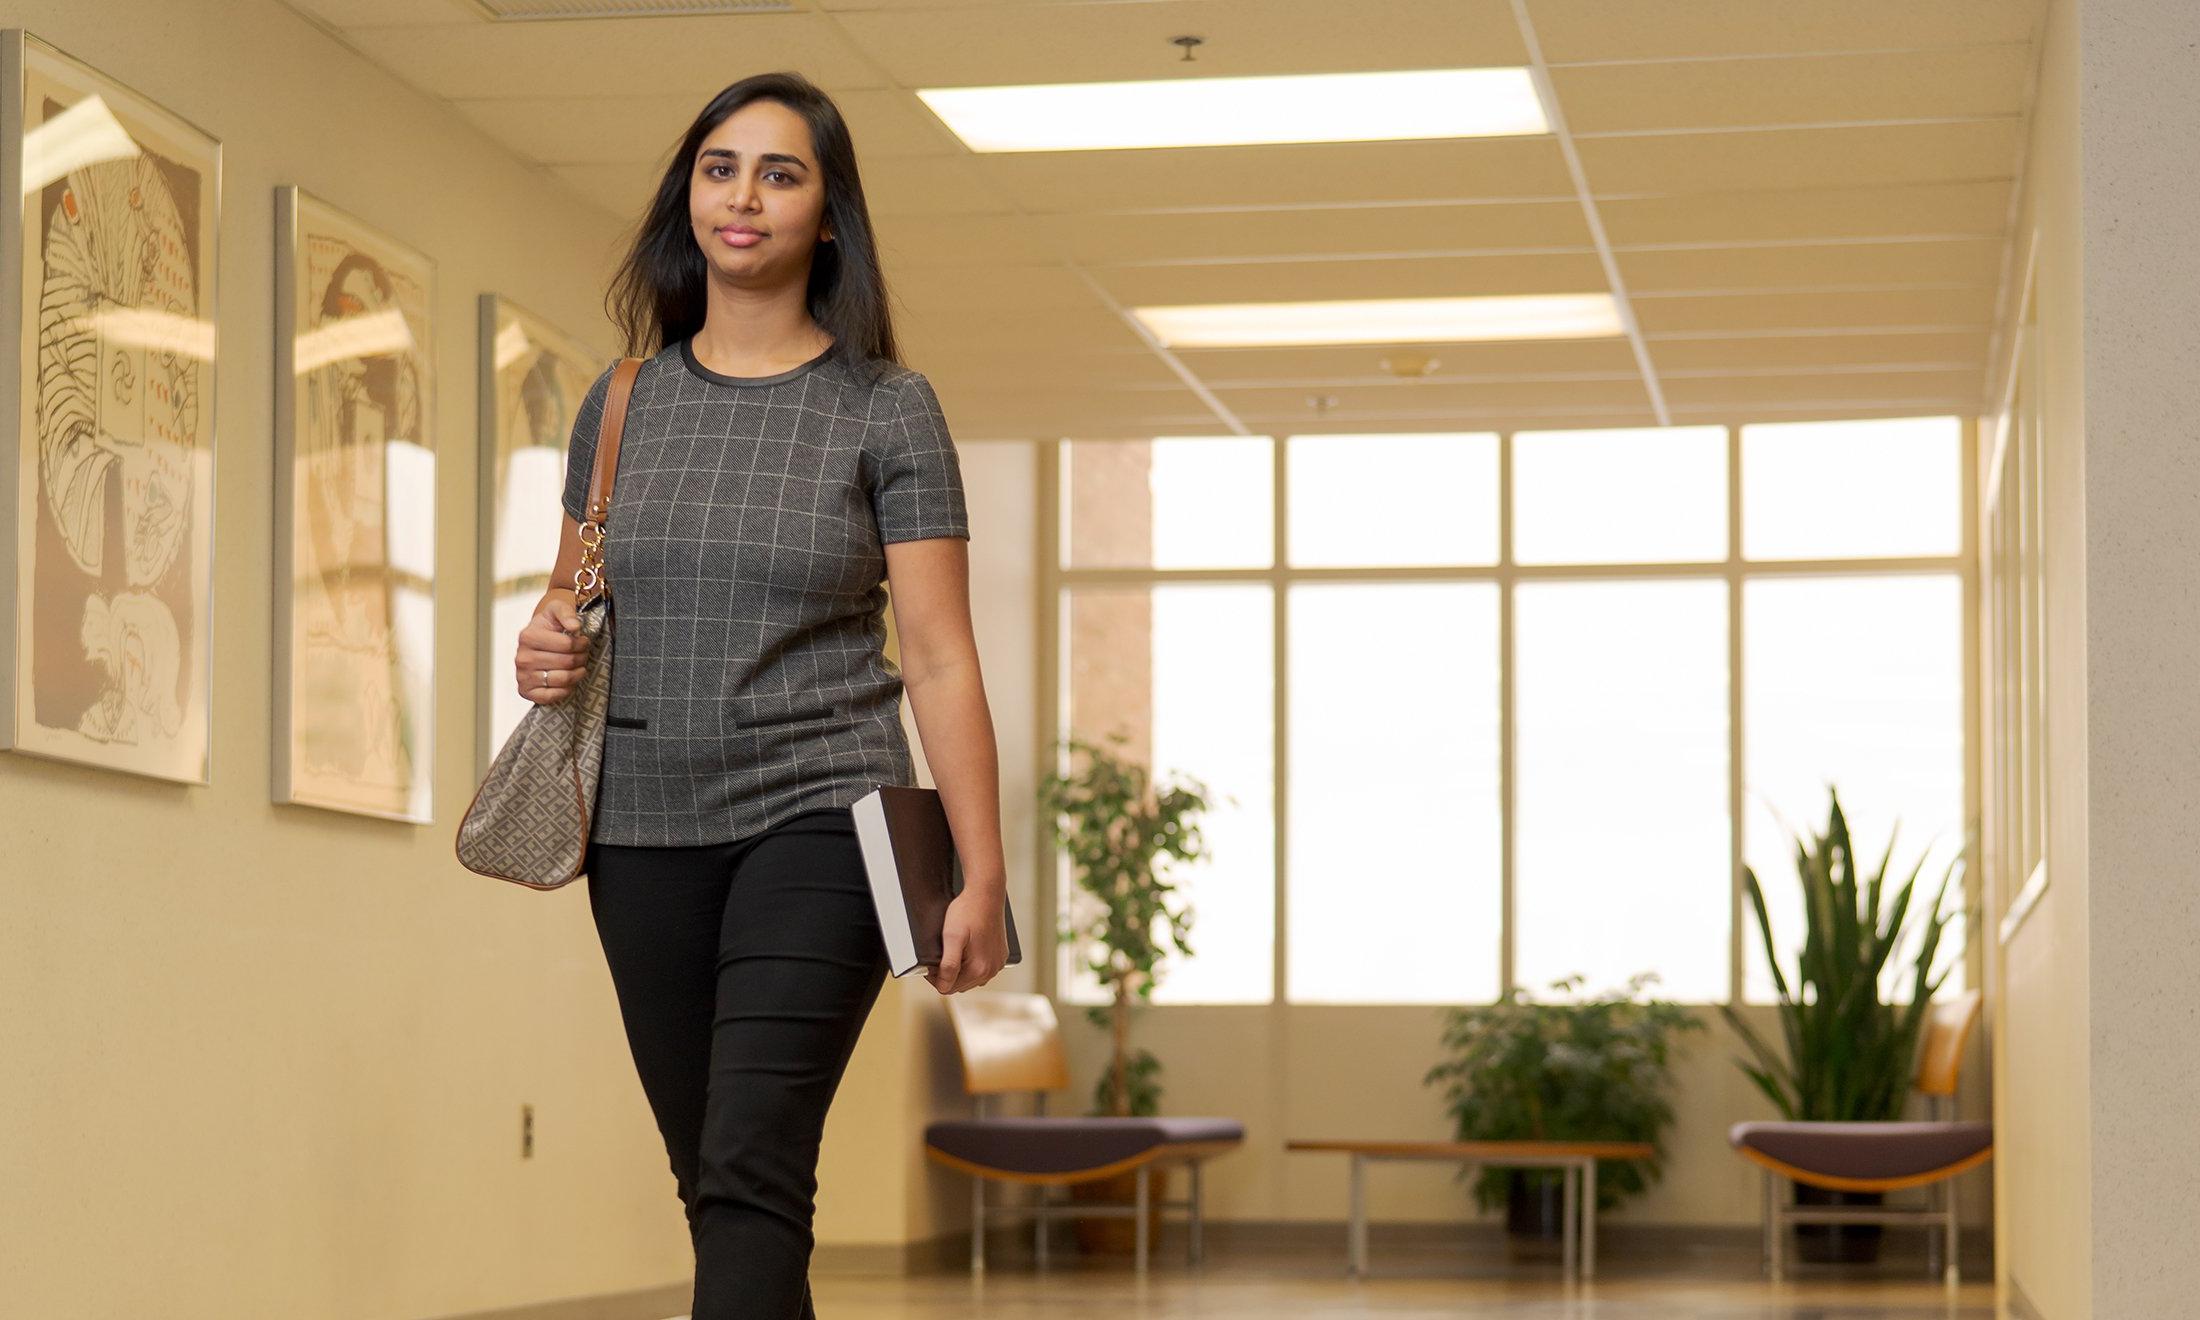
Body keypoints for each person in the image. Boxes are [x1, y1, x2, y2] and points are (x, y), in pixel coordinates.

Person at [509, 70, 1010, 1320]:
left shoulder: (887, 409)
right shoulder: (621, 402)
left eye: (780, 174)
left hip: (822, 814)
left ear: (827, 216)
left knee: (748, 1163)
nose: (744, 196)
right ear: (689, 197)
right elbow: (572, 598)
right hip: (641, 824)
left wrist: (982, 875)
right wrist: (540, 643)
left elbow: (941, 654)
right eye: (720, 167)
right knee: (721, 1183)